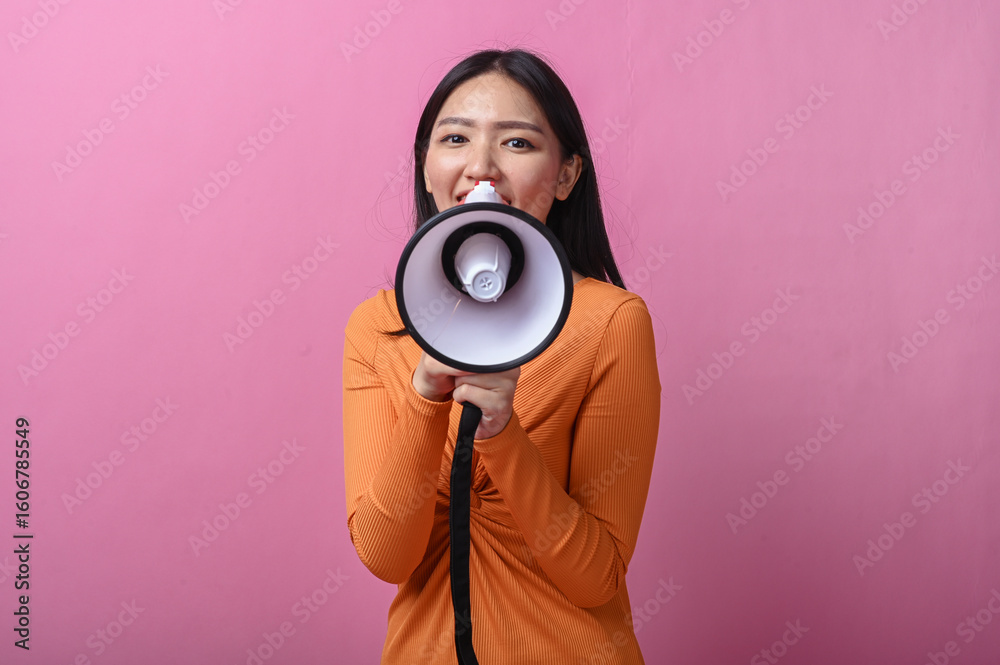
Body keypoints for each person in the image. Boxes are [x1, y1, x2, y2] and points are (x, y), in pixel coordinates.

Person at [343, 48, 661, 664]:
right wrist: (426, 398)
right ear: (427, 167)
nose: (480, 170)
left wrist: (502, 434)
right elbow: (386, 556)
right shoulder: (376, 329)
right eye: (455, 138)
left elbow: (596, 577)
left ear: (567, 175)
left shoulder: (610, 324)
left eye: (517, 144)